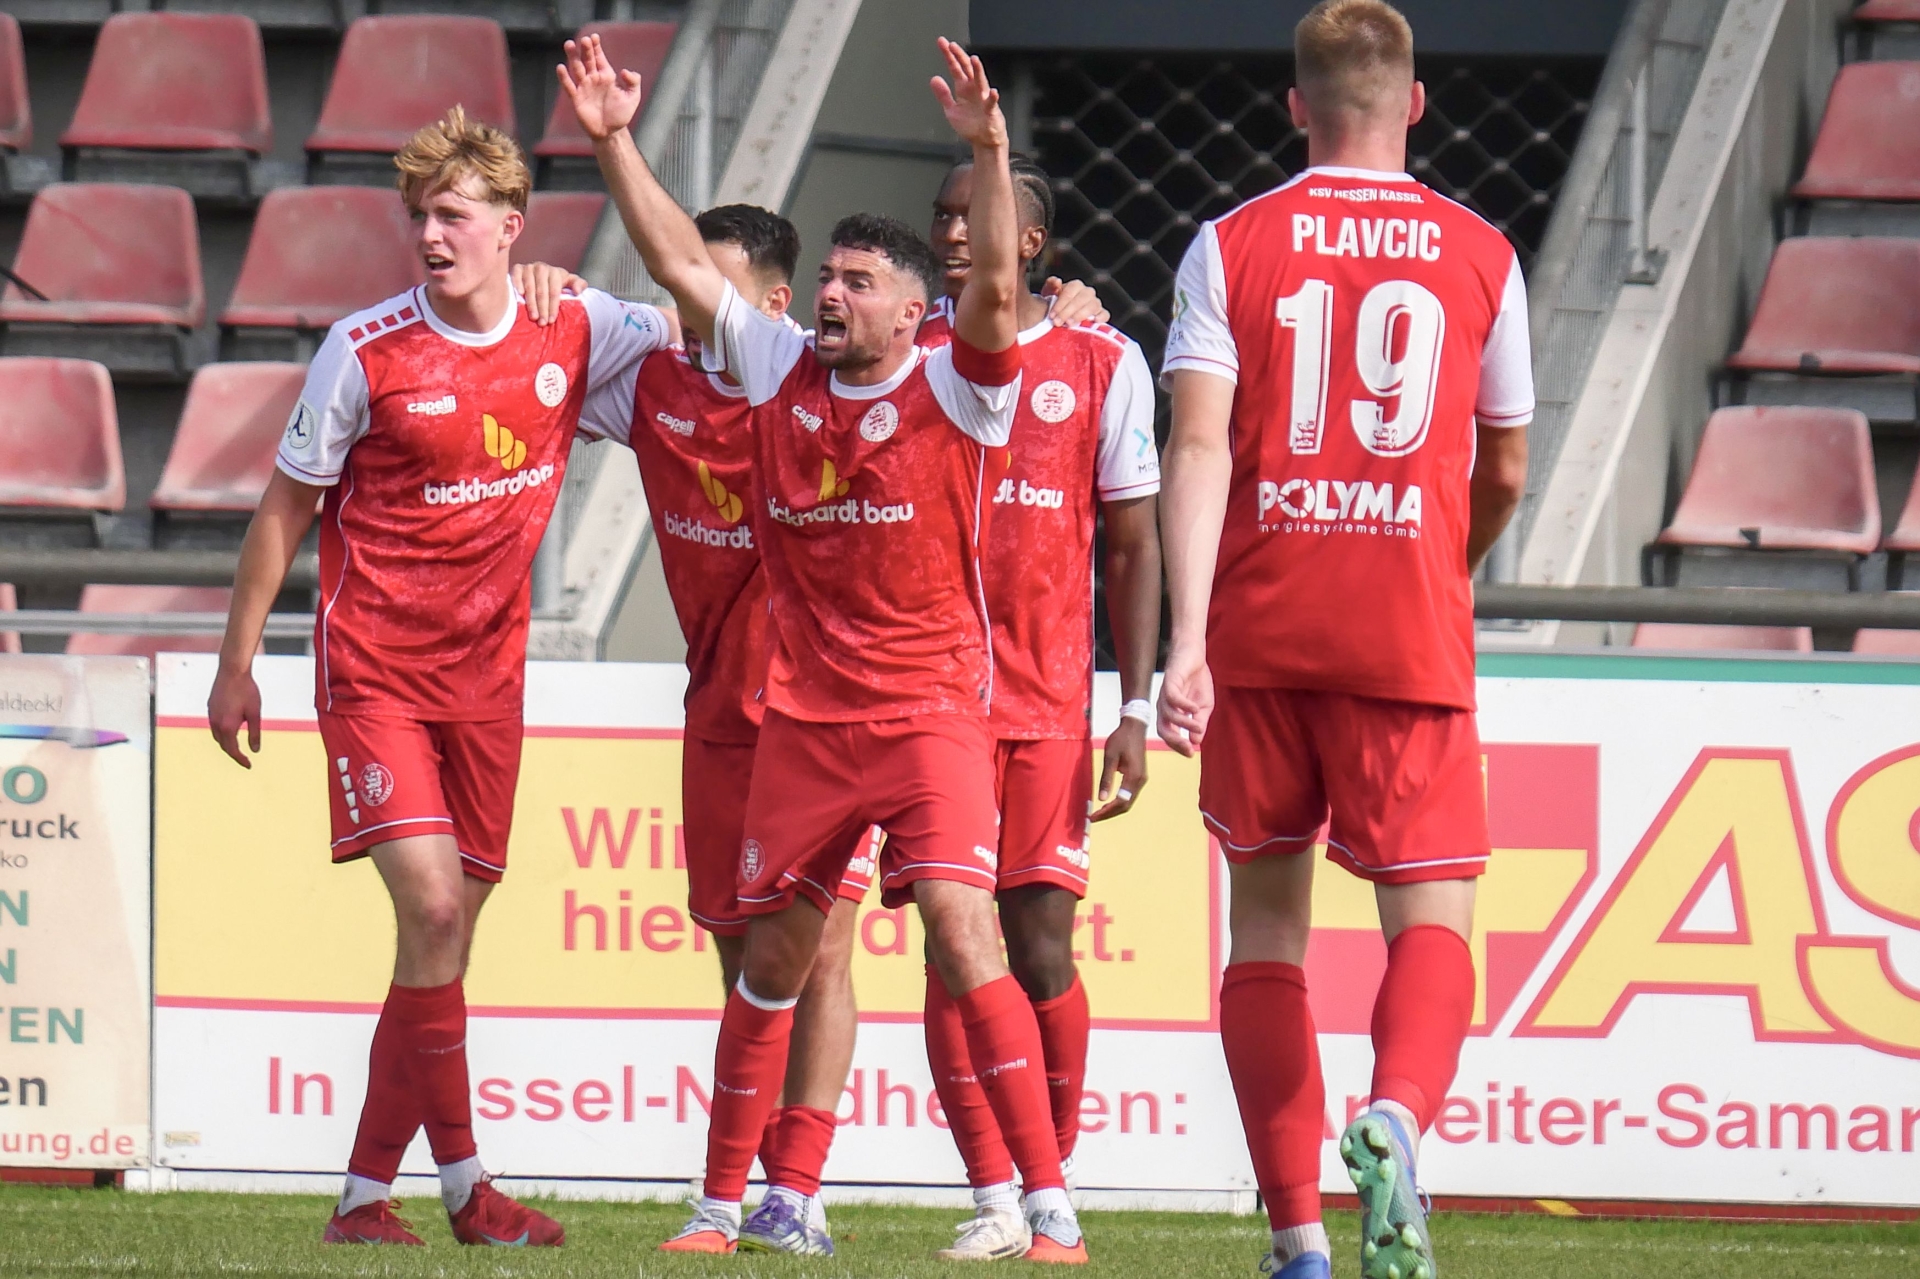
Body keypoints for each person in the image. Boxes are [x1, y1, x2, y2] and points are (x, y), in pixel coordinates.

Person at [557, 32, 1090, 1262]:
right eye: (830, 276)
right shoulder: (778, 367)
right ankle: (724, 1206)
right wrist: (613, 141)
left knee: (964, 931)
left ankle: (1047, 1204)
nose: (834, 294)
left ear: (913, 310)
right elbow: (678, 259)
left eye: (860, 280)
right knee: (771, 961)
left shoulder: (961, 386)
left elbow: (996, 287)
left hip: (927, 715)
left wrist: (990, 150)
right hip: (802, 720)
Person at [207, 106, 676, 1248]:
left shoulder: (575, 326)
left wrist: (605, 288)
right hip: (375, 673)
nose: (430, 235)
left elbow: (707, 321)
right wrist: (236, 663)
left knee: (441, 944)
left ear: (512, 227)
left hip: (488, 686)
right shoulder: (365, 348)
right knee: (427, 908)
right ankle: (469, 1190)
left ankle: (363, 1200)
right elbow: (283, 510)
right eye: (419, 215)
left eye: (454, 215)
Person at [1154, 2, 1533, 1277]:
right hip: (1404, 630)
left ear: (1294, 106)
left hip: (1260, 630)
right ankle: (1397, 1116)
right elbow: (1507, 464)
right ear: (1415, 104)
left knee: (1266, 932)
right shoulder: (1483, 253)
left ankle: (1298, 1239)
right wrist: (1441, 565)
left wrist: (1187, 643)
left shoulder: (1228, 244)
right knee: (1434, 919)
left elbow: (1195, 445)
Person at [915, 153, 1164, 1260]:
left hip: (1051, 697)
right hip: (929, 700)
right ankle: (995, 1197)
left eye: (975, 215)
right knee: (950, 940)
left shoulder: (1103, 357)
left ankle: (1049, 1183)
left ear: (1030, 241)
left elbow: (1133, 542)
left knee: (1041, 943)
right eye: (941, 216)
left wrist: (1135, 706)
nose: (952, 232)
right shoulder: (900, 348)